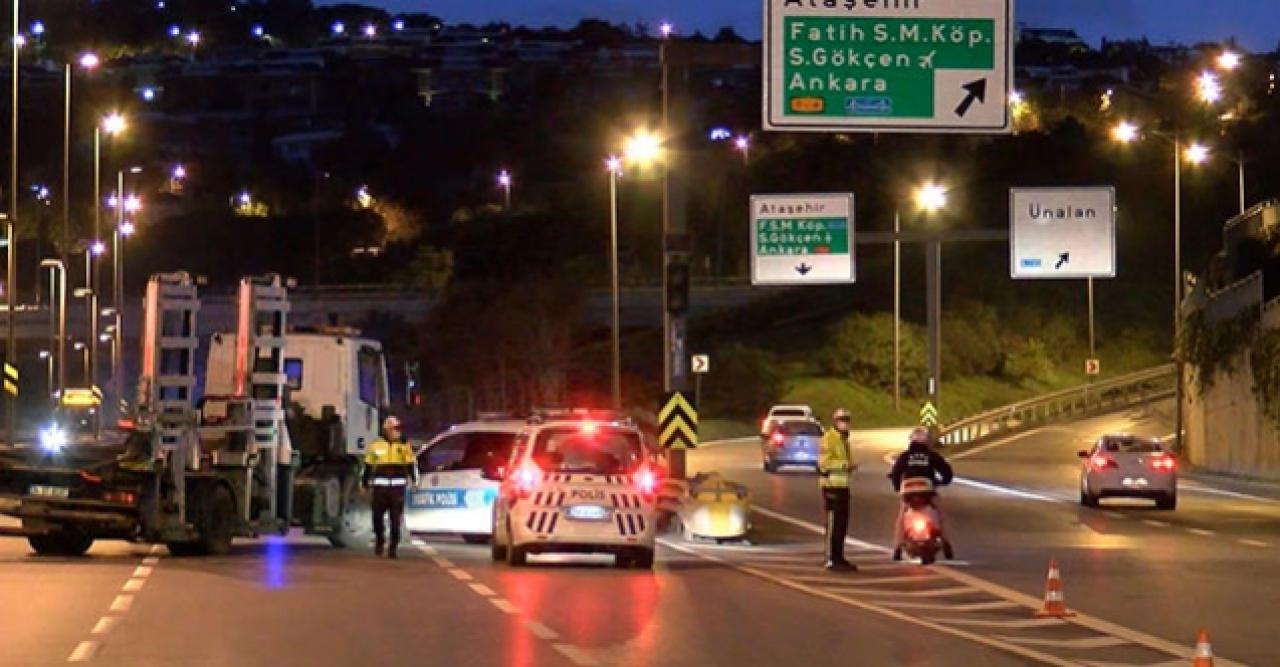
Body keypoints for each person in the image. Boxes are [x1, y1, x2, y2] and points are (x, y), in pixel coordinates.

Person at [888, 427, 955, 561]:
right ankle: (946, 542)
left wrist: (896, 486)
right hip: (927, 491)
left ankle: (897, 547)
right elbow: (946, 471)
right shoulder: (931, 456)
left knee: (901, 516)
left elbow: (895, 473)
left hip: (908, 493)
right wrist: (944, 481)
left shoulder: (905, 456)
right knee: (940, 512)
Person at [362, 415, 419, 558]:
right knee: (377, 518)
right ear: (386, 429)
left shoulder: (404, 445)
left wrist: (414, 481)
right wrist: (364, 483)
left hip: (397, 488)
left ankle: (393, 548)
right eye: (393, 428)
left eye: (397, 428)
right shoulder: (376, 445)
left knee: (395, 519)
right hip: (380, 488)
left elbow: (411, 464)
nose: (396, 431)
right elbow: (368, 465)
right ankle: (380, 541)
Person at [818, 408, 858, 571]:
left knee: (842, 524)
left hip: (843, 486)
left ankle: (839, 557)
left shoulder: (843, 439)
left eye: (847, 420)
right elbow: (824, 464)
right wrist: (844, 466)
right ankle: (831, 558)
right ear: (835, 421)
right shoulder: (830, 438)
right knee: (834, 524)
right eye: (842, 420)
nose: (845, 423)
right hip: (831, 486)